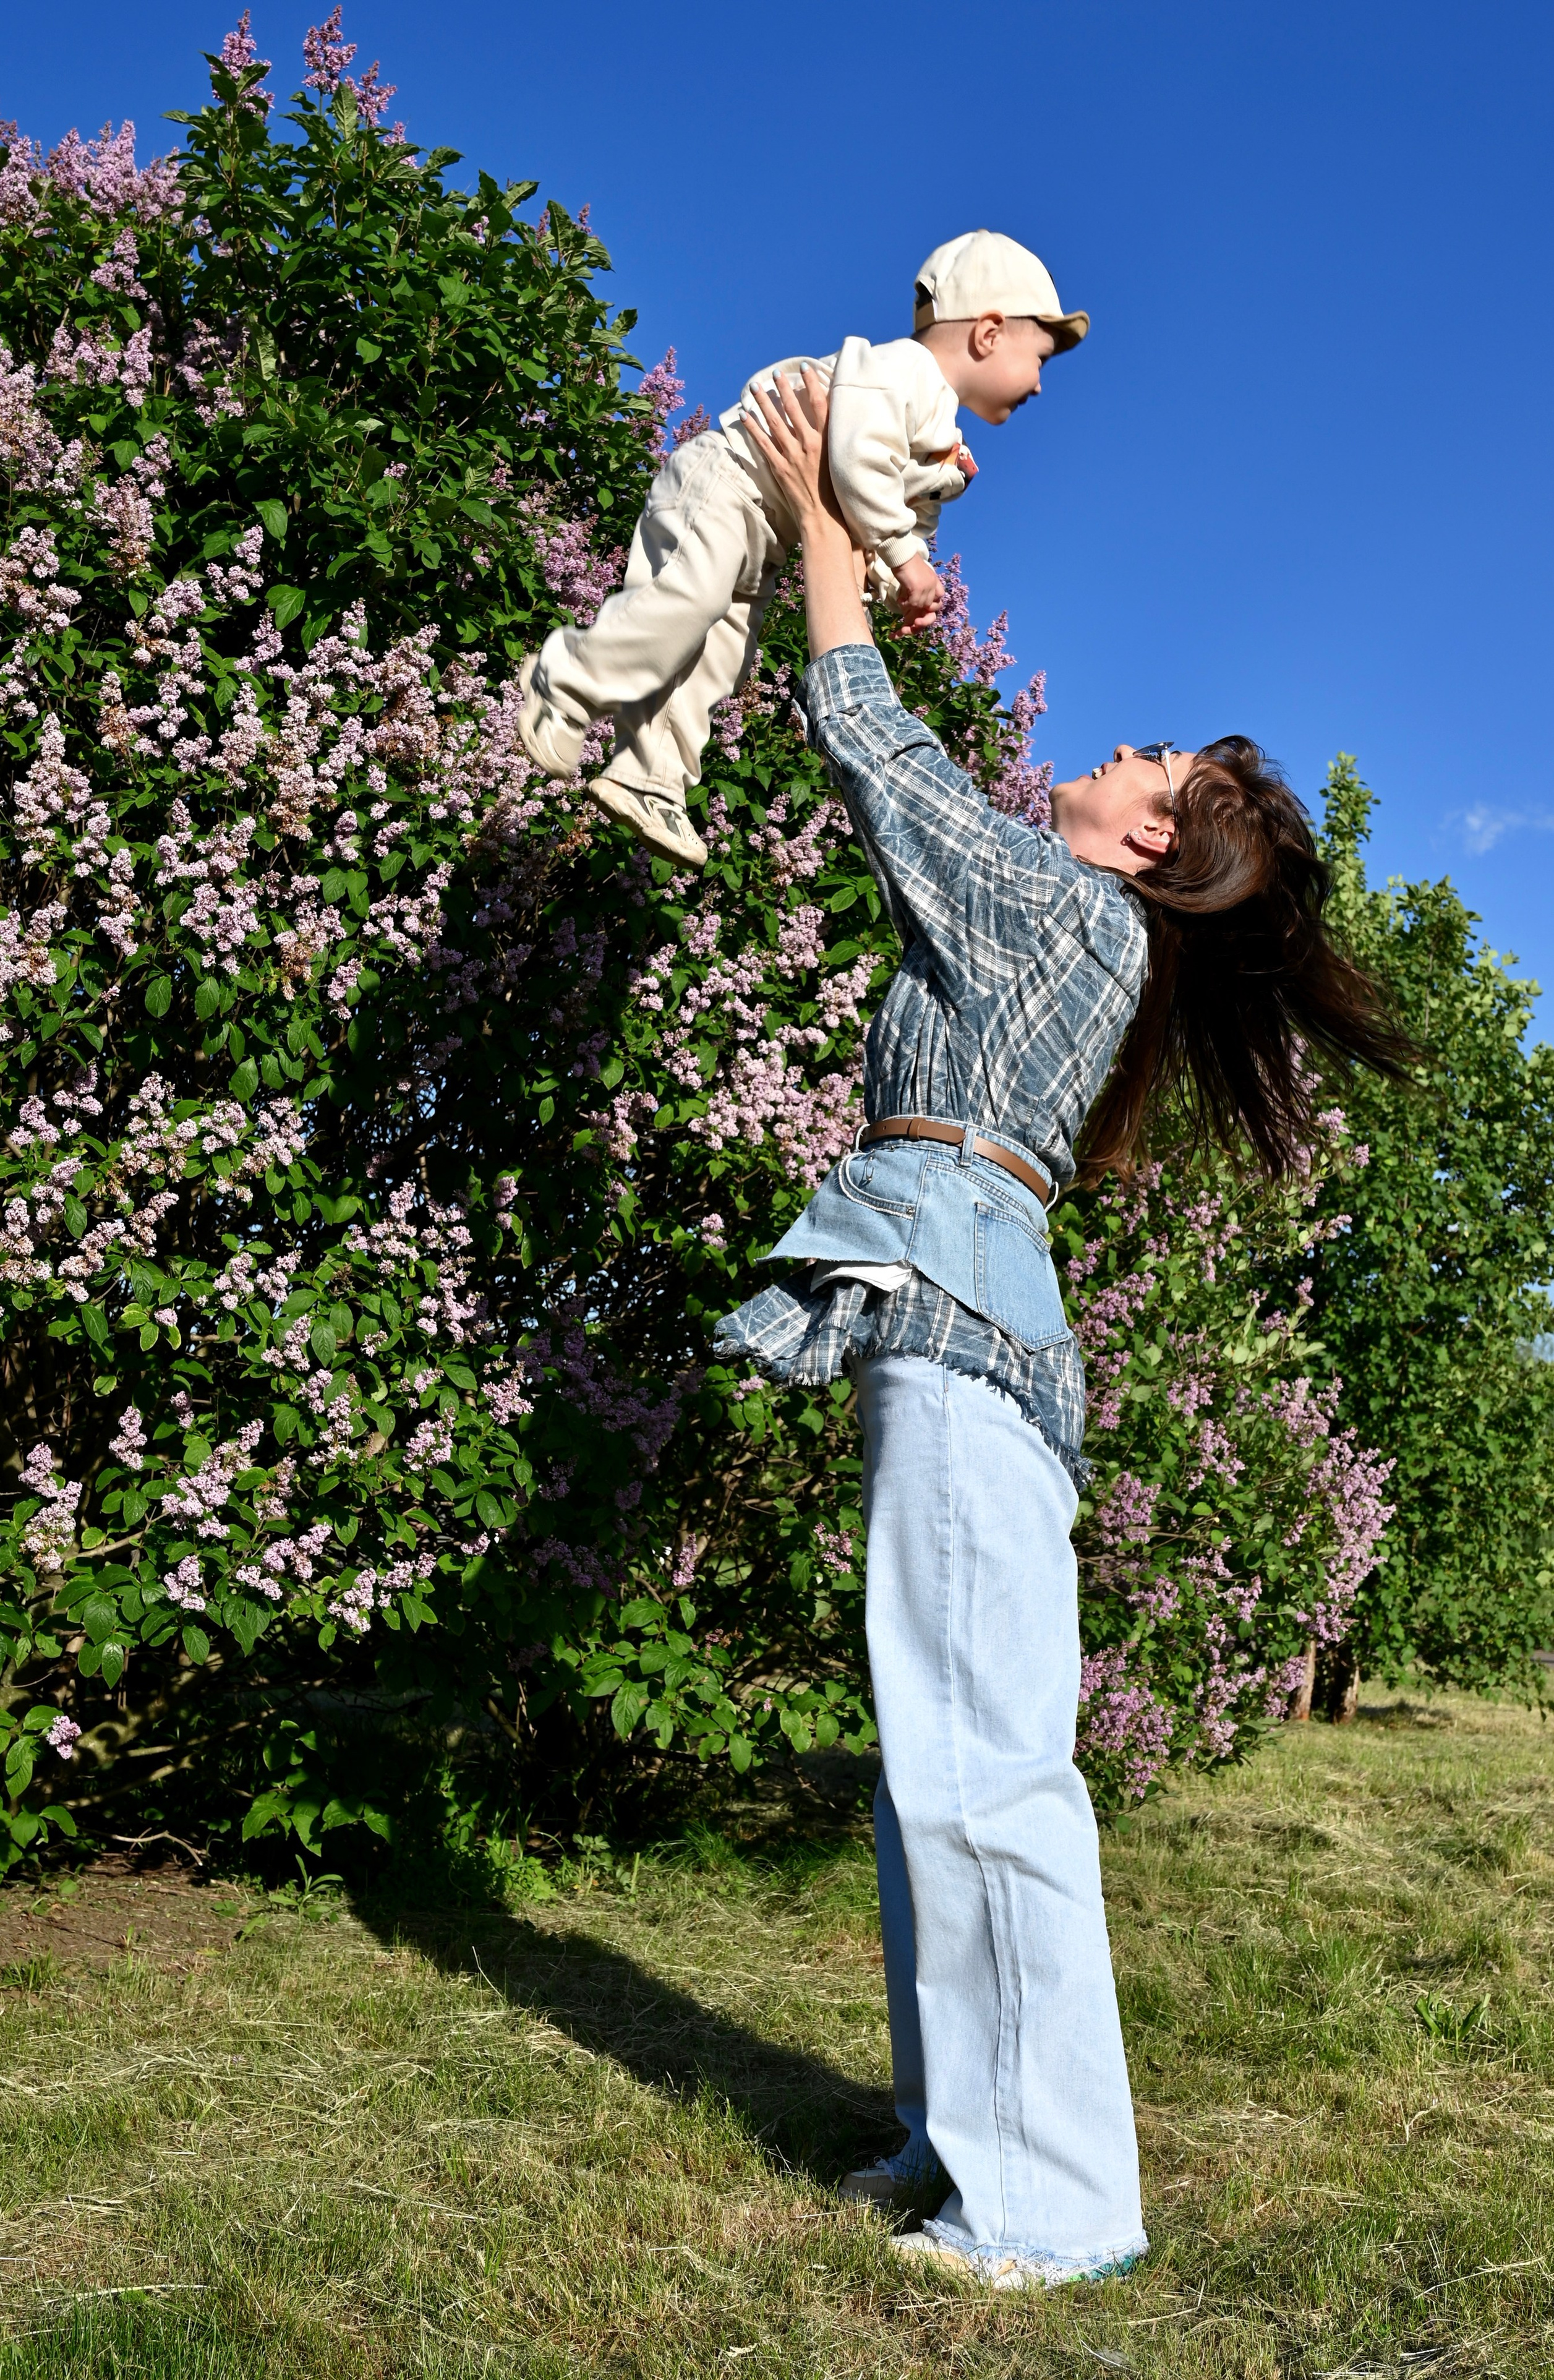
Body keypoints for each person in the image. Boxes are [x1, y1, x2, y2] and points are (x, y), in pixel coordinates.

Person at [715, 369, 1412, 2292]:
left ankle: (1052, 2205)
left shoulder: (1073, 919)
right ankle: (959, 2139)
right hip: (942, 1313)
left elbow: (871, 754)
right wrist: (893, 571)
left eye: (1147, 769)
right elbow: (928, 778)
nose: (1111, 750)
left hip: (954, 1327)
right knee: (936, 1753)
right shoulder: (1072, 915)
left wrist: (826, 541)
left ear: (1139, 848)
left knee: (984, 1761)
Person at [517, 229, 1087, 867]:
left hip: (766, 531)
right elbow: (854, 460)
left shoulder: (940, 430)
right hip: (727, 485)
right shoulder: (902, 373)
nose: (1039, 384)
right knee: (684, 603)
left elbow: (894, 512)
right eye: (1040, 357)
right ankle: (565, 676)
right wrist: (904, 555)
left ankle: (649, 779)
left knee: (718, 657)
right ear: (987, 333)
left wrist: (899, 580)